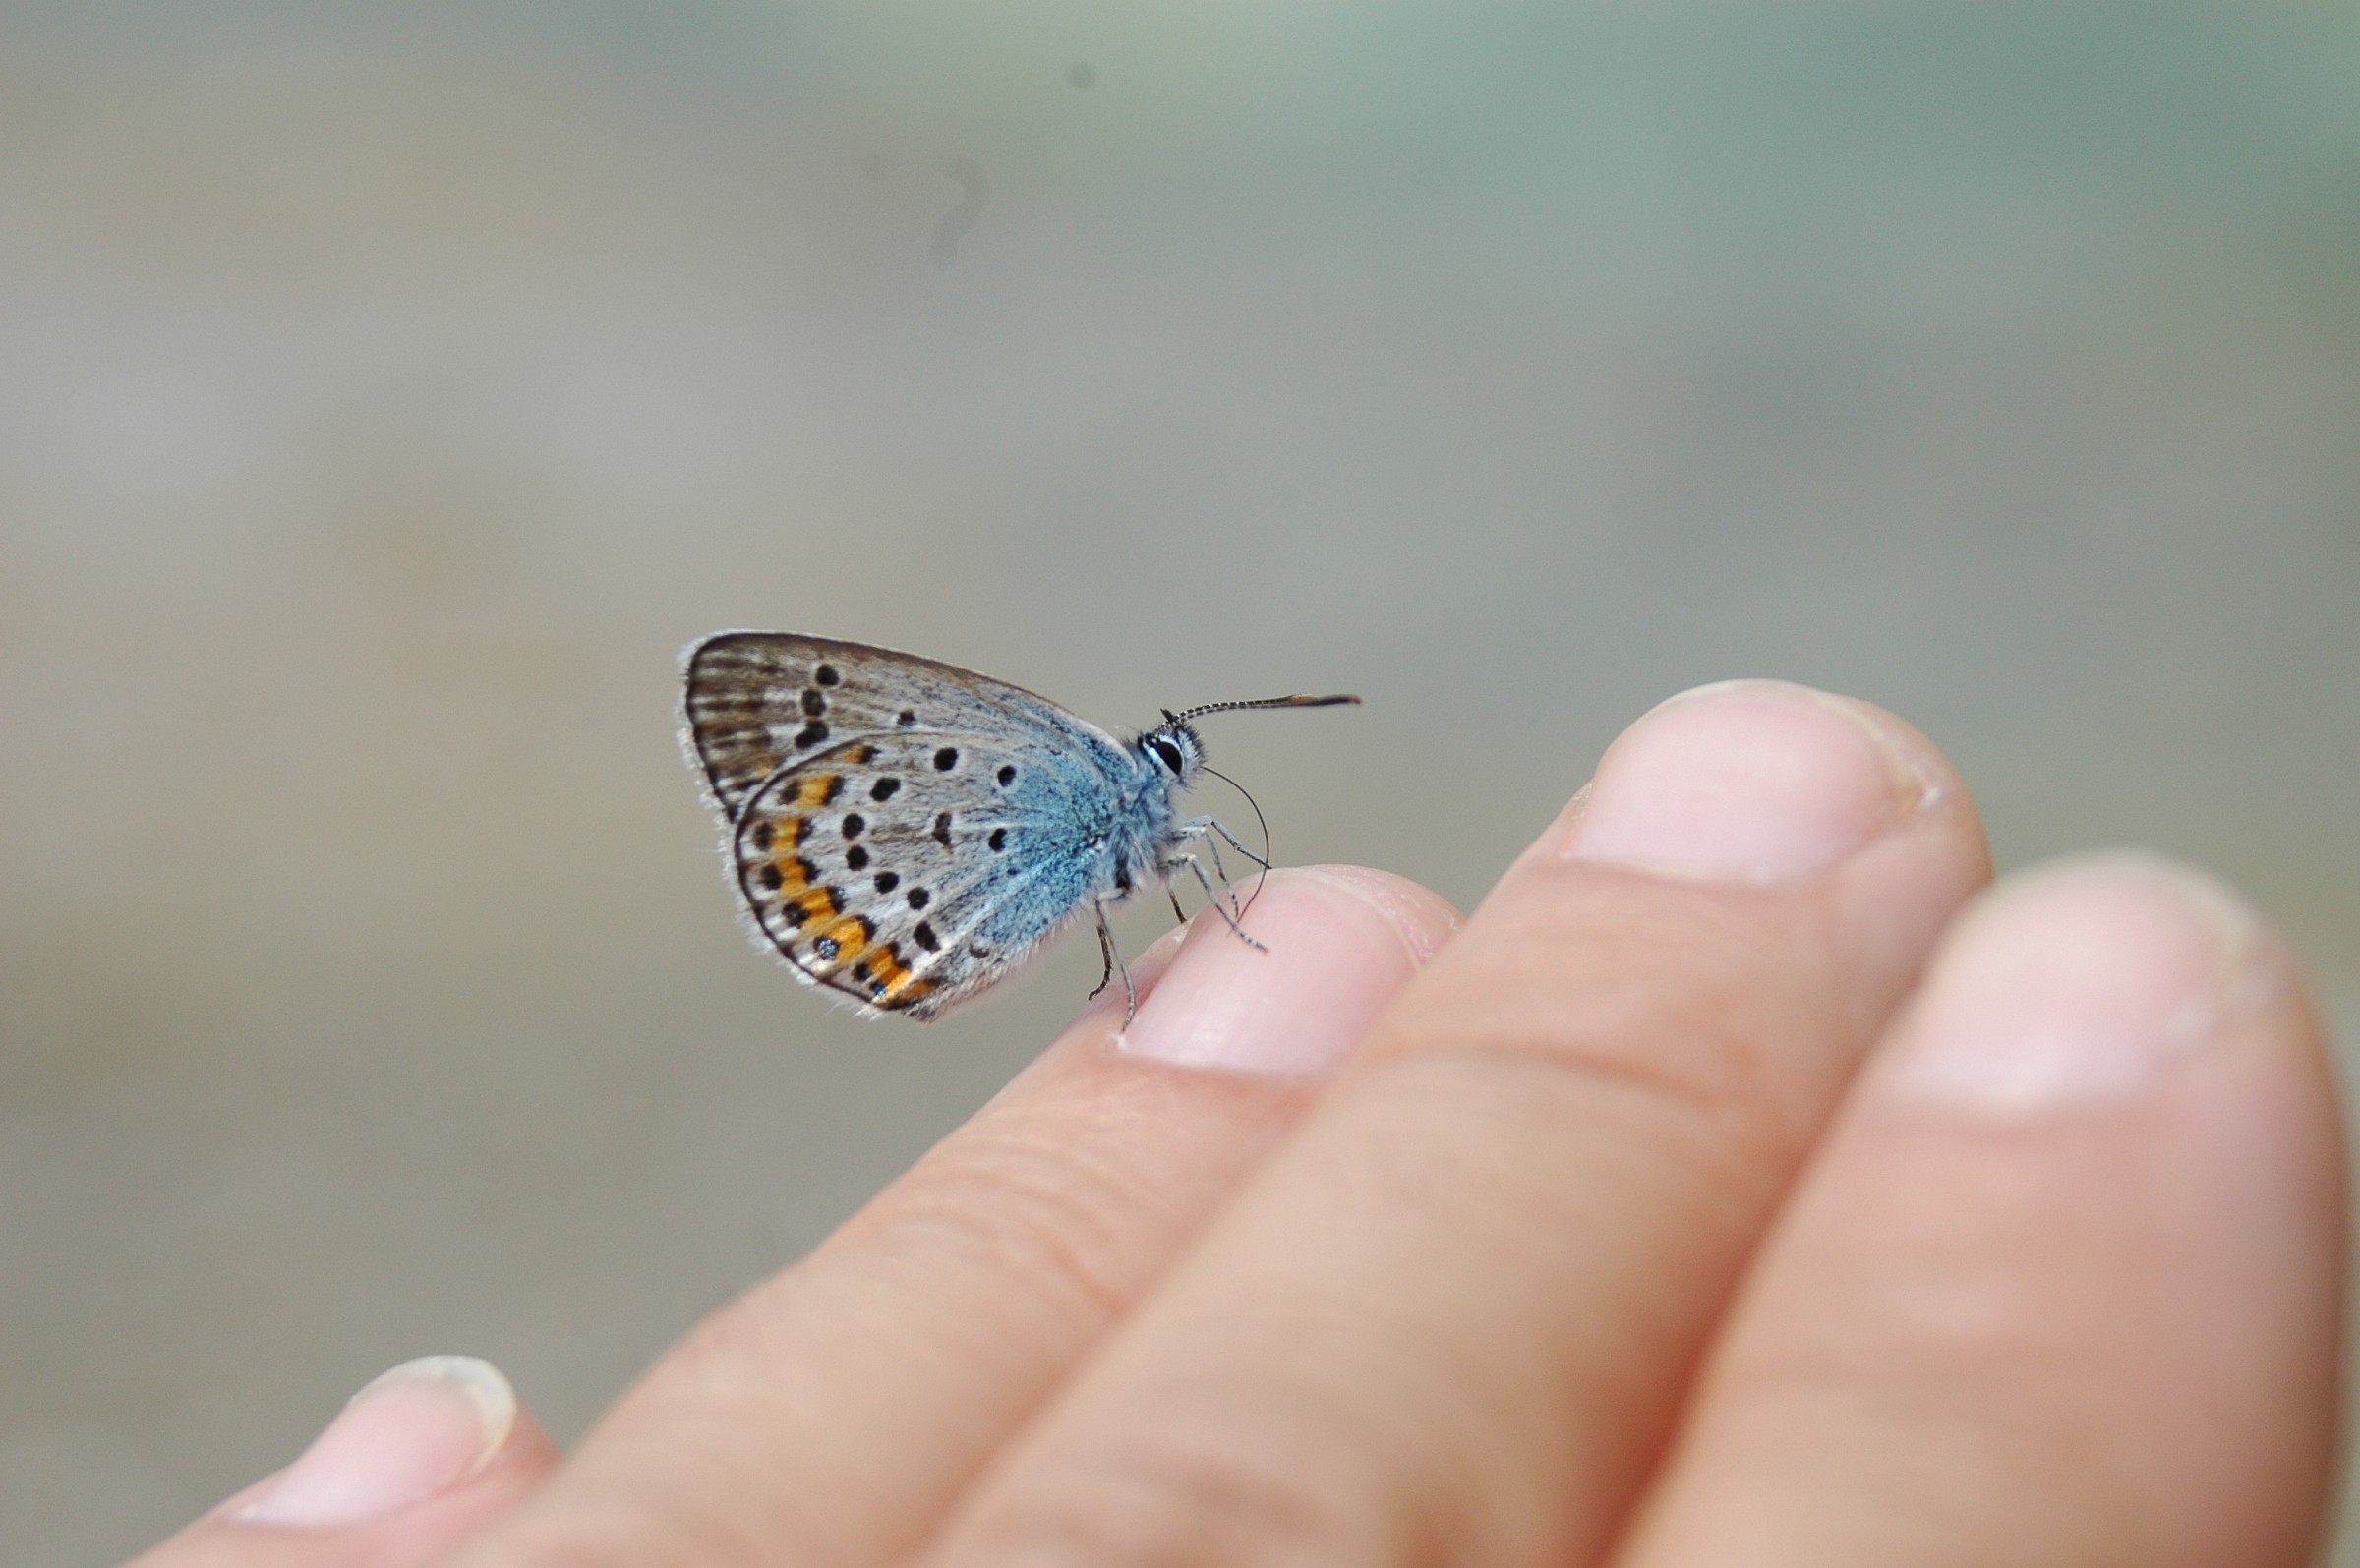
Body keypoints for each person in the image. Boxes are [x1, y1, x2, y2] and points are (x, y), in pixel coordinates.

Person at [131, 680, 2346, 1568]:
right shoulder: (1100, 795)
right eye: (1185, 772)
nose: (1188, 792)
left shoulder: (1153, 824)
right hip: (965, 872)